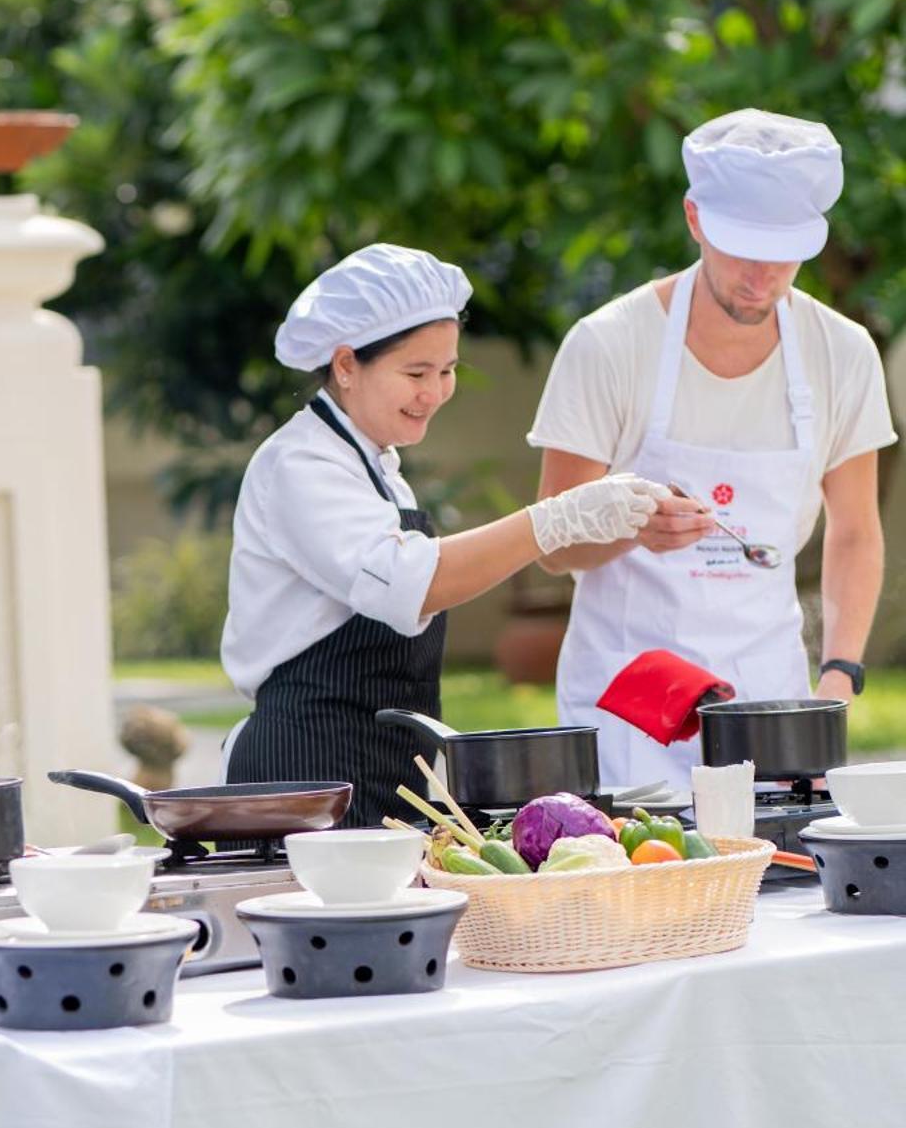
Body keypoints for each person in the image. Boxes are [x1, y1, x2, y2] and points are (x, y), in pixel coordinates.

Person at [221, 244, 668, 827]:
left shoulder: (377, 468)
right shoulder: (300, 465)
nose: (434, 392)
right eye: (415, 373)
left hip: (382, 770)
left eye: (448, 370)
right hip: (305, 780)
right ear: (346, 365)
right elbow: (414, 583)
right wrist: (557, 518)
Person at [530, 109, 892, 788]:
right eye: (741, 250)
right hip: (629, 709)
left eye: (781, 253)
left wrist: (839, 673)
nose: (761, 278)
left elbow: (854, 531)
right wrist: (632, 527)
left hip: (768, 707)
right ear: (694, 220)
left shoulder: (841, 353)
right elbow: (552, 543)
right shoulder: (608, 344)